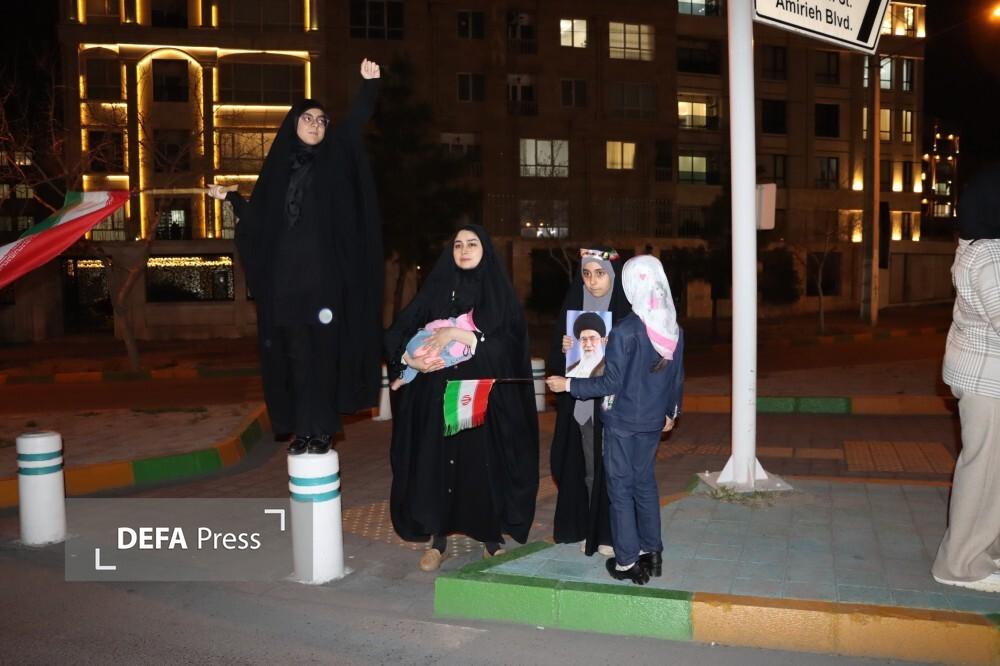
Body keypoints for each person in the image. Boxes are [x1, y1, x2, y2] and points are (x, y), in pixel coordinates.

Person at [208, 59, 383, 456]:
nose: (316, 125)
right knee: (297, 359)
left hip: (324, 284)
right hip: (286, 285)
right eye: (308, 118)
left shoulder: (333, 159)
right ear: (293, 123)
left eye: (321, 120)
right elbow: (260, 218)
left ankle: (322, 429)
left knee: (324, 358)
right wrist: (232, 198)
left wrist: (369, 87)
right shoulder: (278, 170)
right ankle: (304, 430)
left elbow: (353, 125)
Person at [385, 226, 539, 572]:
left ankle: (490, 539)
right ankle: (438, 540)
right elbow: (399, 332)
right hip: (435, 396)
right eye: (458, 245)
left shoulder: (498, 294)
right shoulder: (436, 290)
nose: (464, 250)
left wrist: (459, 335)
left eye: (472, 244)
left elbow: (509, 345)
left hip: (479, 398)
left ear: (485, 250)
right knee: (437, 463)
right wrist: (409, 360)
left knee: (481, 464)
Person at [547, 255, 684, 585]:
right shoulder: (672, 328)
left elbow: (609, 384)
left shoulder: (626, 331)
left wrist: (569, 385)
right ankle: (652, 553)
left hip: (622, 423)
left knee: (620, 490)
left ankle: (626, 561)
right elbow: (676, 378)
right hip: (652, 422)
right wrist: (671, 412)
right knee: (645, 484)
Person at [932, 163, 1000, 594]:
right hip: (988, 381)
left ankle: (983, 550)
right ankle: (960, 565)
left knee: (991, 473)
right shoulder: (991, 256)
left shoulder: (977, 247)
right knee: (984, 473)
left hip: (982, 376)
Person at [546, 248, 631, 558]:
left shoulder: (627, 315)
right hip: (583, 409)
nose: (593, 281)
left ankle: (611, 532)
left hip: (617, 410)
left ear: (613, 276)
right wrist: (564, 349)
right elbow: (558, 364)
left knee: (615, 472)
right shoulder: (574, 311)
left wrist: (615, 349)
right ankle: (591, 528)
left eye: (600, 274)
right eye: (586, 274)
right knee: (589, 469)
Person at [390, 310, 478, 389]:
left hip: (433, 360)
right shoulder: (457, 324)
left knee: (414, 368)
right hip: (422, 345)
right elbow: (434, 326)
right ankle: (401, 379)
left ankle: (399, 382)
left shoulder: (476, 342)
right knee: (421, 359)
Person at [566, 312, 608, 378]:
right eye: (584, 339)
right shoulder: (570, 370)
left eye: (592, 338)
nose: (588, 344)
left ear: (602, 340)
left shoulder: (608, 369)